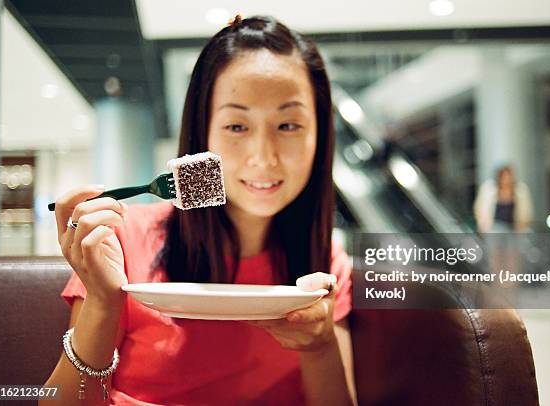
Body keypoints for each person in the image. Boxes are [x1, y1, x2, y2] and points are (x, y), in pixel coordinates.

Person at [42, 15, 356, 406]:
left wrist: (321, 345)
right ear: (202, 133)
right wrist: (105, 303)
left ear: (319, 135)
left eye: (289, 125)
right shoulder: (121, 242)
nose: (263, 157)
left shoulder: (324, 265)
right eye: (237, 127)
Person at [473, 165, 533, 234]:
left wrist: (523, 224)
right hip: (494, 228)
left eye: (508, 176)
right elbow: (479, 209)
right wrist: (482, 225)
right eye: (504, 177)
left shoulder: (521, 191)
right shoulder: (488, 189)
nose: (506, 180)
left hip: (515, 229)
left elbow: (527, 211)